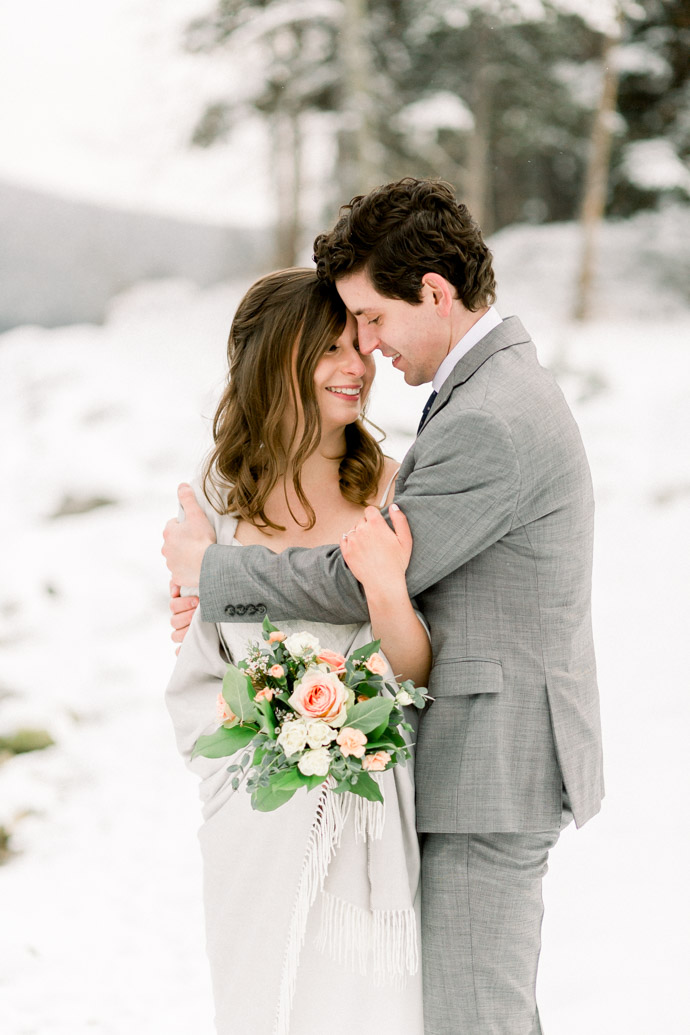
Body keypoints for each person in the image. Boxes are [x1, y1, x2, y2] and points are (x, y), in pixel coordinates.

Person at [163, 177, 604, 1034]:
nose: (367, 353)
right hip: (315, 802)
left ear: (433, 294)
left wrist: (213, 575)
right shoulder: (479, 395)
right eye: (343, 335)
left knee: (473, 1016)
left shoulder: (482, 421)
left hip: (468, 772)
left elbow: (355, 582)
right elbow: (203, 675)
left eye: (369, 322)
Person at [164, 267, 430, 1035]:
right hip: (255, 820)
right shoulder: (215, 495)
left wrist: (383, 598)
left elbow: (415, 666)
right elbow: (200, 672)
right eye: (332, 349)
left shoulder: (393, 487)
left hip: (375, 818)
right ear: (276, 358)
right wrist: (249, 754)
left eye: (362, 344)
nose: (359, 366)